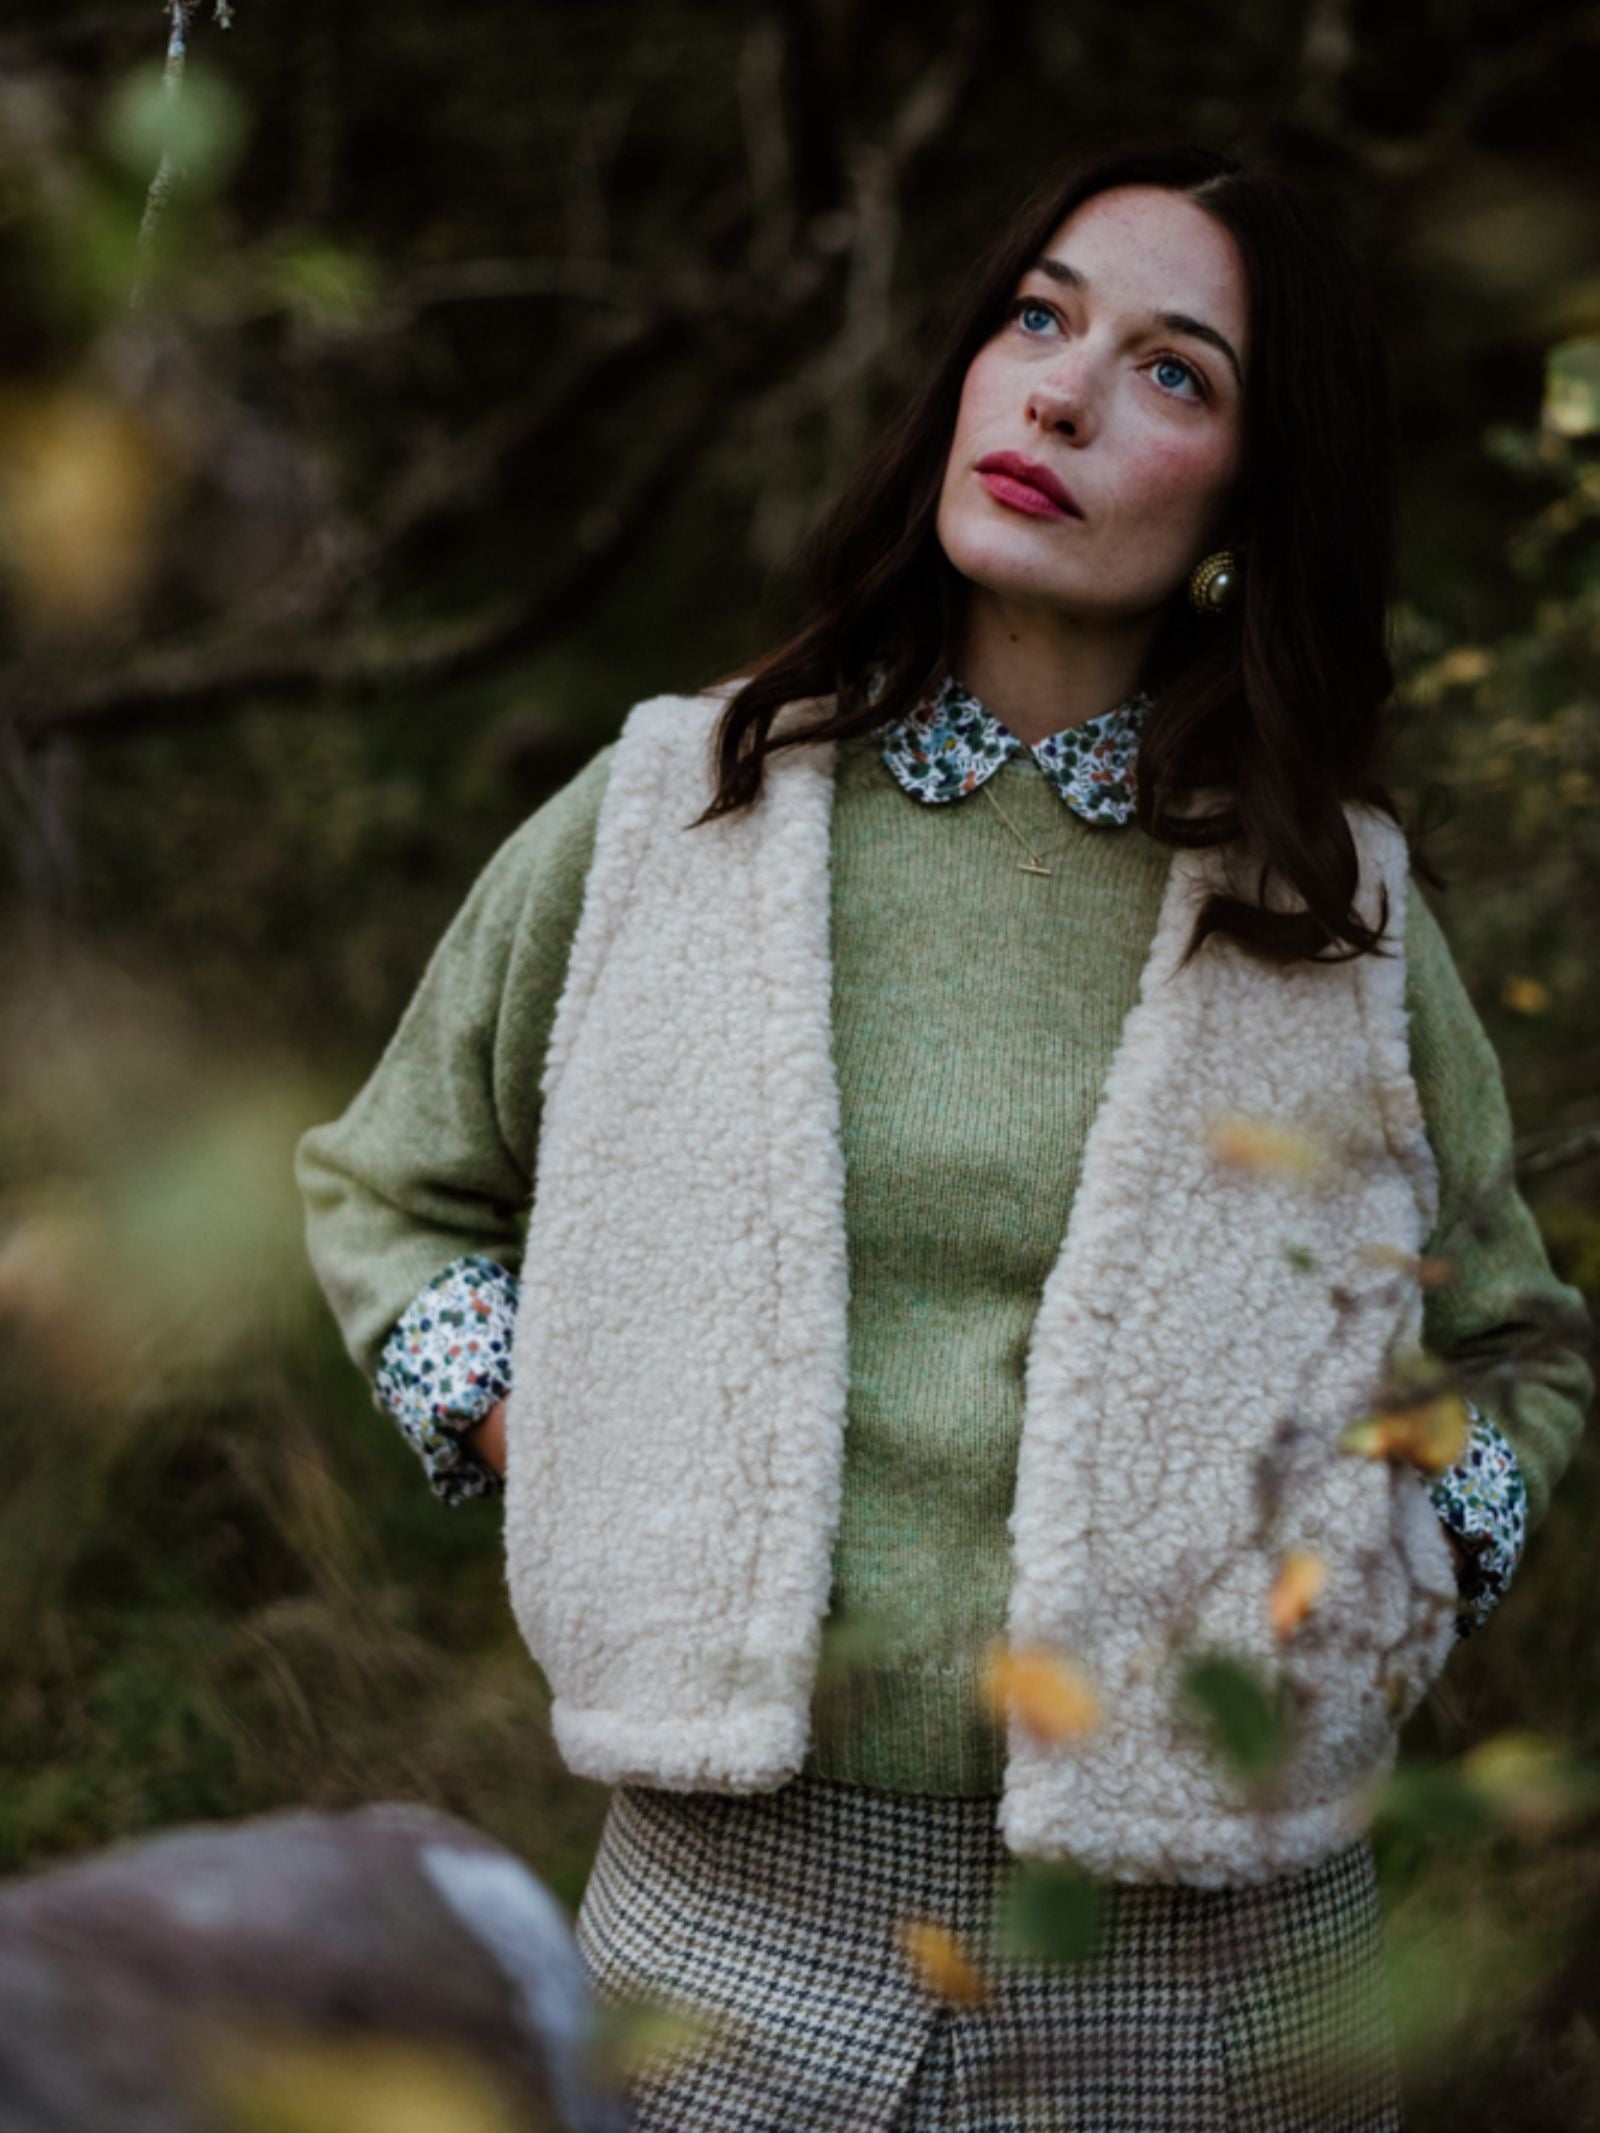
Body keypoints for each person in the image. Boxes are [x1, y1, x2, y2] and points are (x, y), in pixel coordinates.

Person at [294, 139, 1593, 2131]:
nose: (1063, 393)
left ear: (1251, 499)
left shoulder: (1331, 913)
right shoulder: (678, 805)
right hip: (735, 1932)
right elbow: (389, 1185)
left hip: (1218, 1981)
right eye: (1038, 318)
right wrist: (537, 1431)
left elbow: (1511, 1343)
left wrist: (1394, 1562)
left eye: (1173, 371)